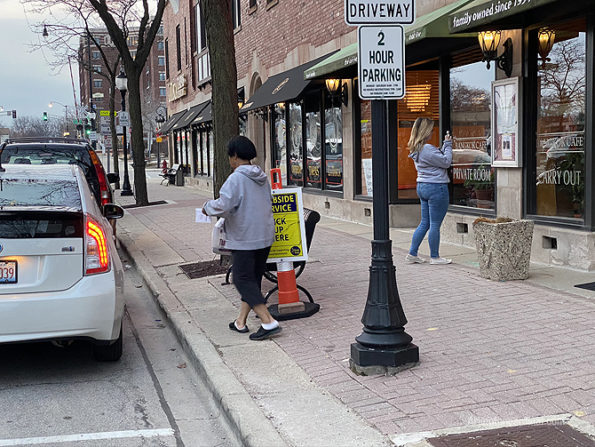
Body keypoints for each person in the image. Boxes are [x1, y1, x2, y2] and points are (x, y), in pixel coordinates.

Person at [202, 136, 281, 340]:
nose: (229, 159)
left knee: (241, 278)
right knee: (252, 279)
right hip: (264, 235)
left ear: (235, 156)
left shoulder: (236, 178)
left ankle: (268, 321)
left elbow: (224, 205)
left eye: (230, 155)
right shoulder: (261, 177)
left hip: (245, 236)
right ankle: (241, 322)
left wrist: (206, 208)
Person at [406, 117, 453, 265]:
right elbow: (446, 162)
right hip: (436, 187)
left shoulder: (416, 148)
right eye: (431, 129)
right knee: (434, 224)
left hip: (422, 186)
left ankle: (412, 254)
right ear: (425, 131)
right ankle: (435, 257)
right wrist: (448, 144)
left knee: (425, 223)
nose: (433, 132)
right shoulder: (427, 148)